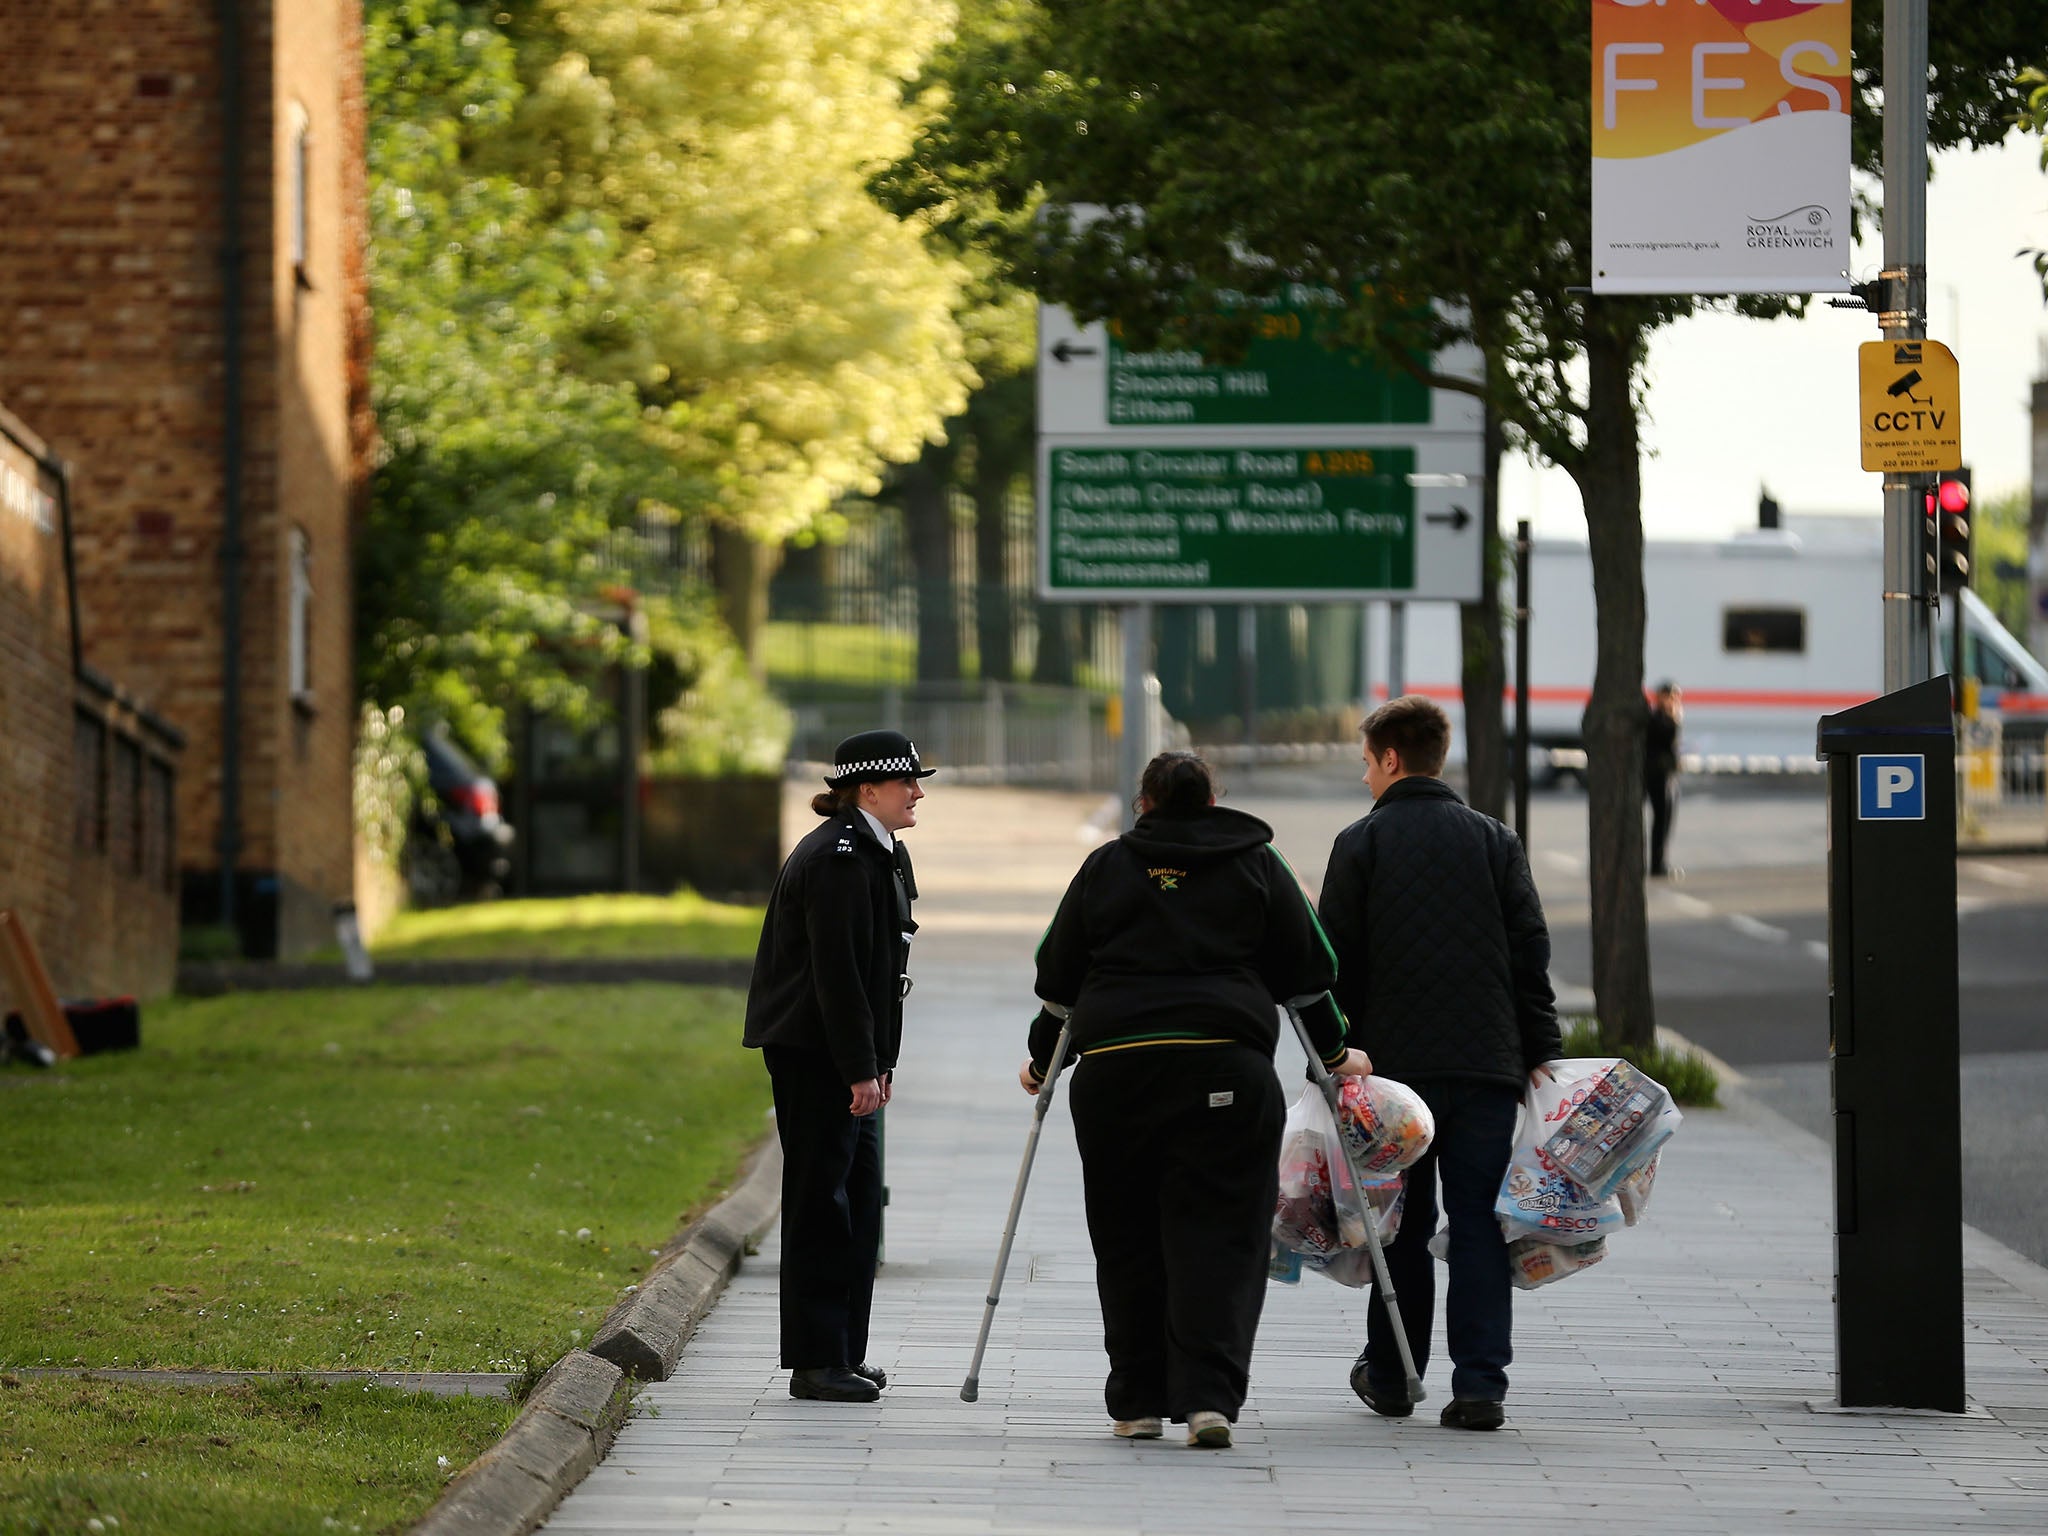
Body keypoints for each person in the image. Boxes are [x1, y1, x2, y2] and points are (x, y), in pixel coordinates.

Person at [1022, 750, 1370, 1450]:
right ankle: (1208, 1400)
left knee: (1127, 1236)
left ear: (1143, 802)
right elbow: (1310, 975)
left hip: (1116, 1073)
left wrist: (1041, 1062)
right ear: (1213, 801)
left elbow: (1059, 977)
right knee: (1220, 1236)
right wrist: (1335, 1055)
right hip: (1225, 1072)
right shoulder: (1257, 862)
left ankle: (1137, 1402)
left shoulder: (1107, 866)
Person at [1315, 696, 1561, 1431]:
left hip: (1392, 1079)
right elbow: (1530, 955)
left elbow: (1332, 964)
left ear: (1391, 758)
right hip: (1487, 1067)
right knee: (1482, 1223)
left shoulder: (1360, 843)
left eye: (1366, 762)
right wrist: (1540, 1052)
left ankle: (1392, 1376)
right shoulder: (1495, 840)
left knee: (1402, 1225)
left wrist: (1332, 1057)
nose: (1364, 777)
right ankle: (1481, 1386)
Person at [742, 728, 932, 1403]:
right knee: (823, 1201)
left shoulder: (872, 852)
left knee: (856, 1204)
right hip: (816, 1053)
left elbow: (879, 971)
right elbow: (839, 977)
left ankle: (843, 1351)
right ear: (867, 790)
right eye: (907, 782)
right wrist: (860, 1067)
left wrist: (878, 1063)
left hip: (848, 1054)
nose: (917, 792)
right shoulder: (839, 860)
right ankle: (816, 1361)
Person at [1645, 680, 1683, 877]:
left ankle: (1659, 861)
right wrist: (1675, 717)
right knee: (1661, 820)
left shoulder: (1661, 717)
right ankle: (1657, 864)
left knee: (1665, 820)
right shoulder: (1658, 718)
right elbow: (1668, 737)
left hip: (1666, 774)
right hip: (1658, 776)